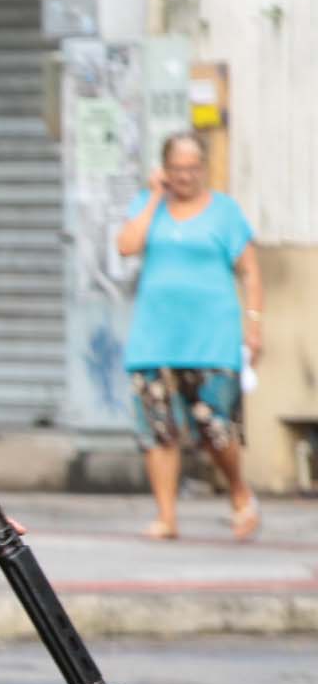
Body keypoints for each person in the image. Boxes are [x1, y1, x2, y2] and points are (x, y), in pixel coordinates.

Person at [117, 131, 261, 543]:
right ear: (165, 169)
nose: (186, 177)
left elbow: (250, 271)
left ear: (205, 168)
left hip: (211, 337)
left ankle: (239, 492)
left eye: (194, 168)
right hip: (154, 337)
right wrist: (153, 198)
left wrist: (254, 323)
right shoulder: (150, 206)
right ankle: (166, 516)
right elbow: (126, 246)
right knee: (157, 430)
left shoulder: (225, 213)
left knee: (216, 429)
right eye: (178, 169)